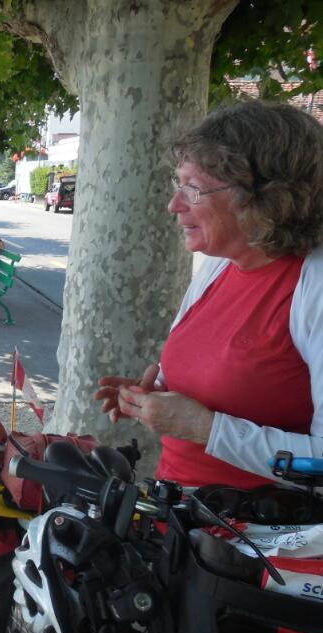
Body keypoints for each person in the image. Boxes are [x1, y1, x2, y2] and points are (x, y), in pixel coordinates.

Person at [94, 100, 323, 489]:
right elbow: (224, 387)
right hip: (183, 510)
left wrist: (203, 427)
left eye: (194, 189)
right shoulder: (220, 265)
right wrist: (153, 399)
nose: (174, 205)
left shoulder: (312, 284)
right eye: (178, 184)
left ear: (266, 198)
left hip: (263, 527)